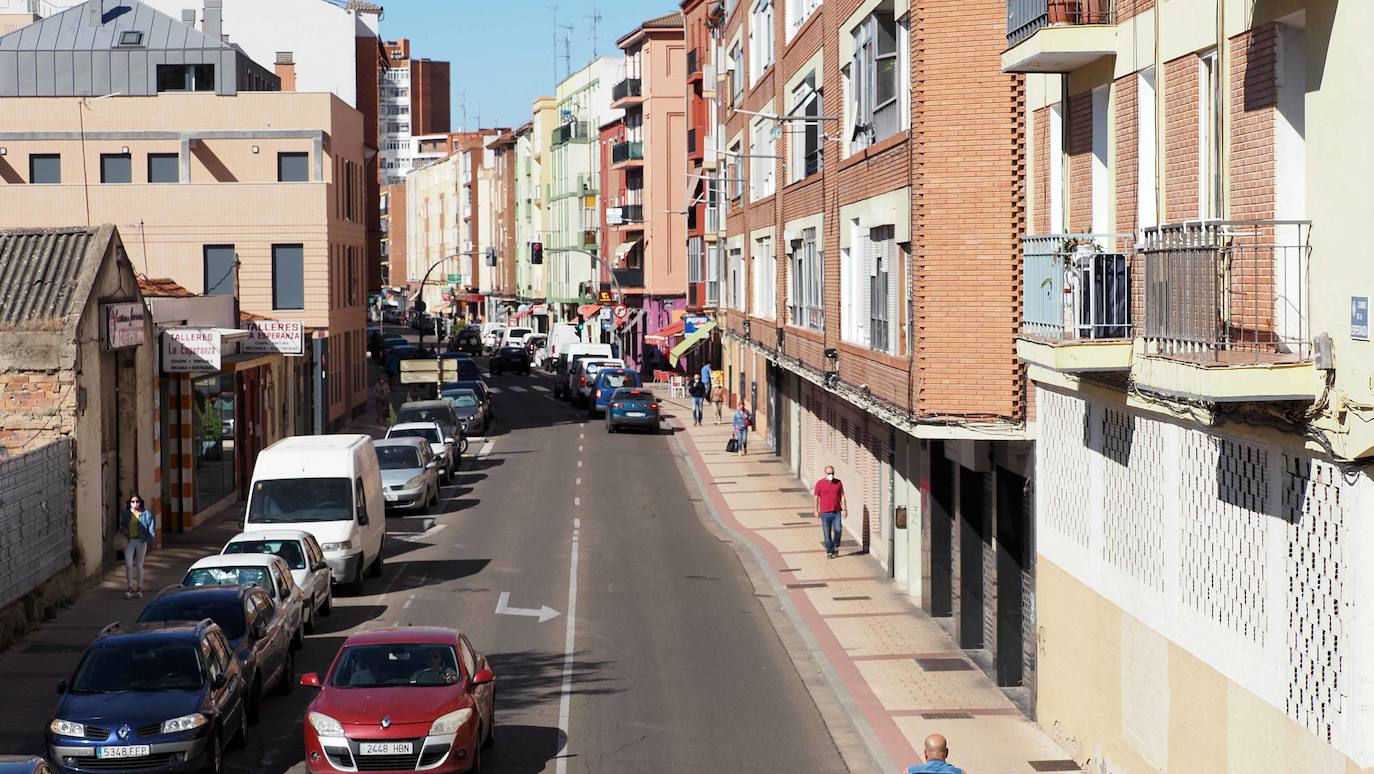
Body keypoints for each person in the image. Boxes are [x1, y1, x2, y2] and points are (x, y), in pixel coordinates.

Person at [118, 494, 157, 599]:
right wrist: (123, 529)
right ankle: (130, 587)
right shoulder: (126, 514)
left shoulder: (146, 514)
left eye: (137, 501)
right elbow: (121, 525)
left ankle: (139, 588)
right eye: (132, 502)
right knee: (129, 564)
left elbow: (151, 529)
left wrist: (152, 541)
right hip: (129, 541)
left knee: (139, 565)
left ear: (140, 502)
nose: (135, 504)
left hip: (141, 541)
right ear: (129, 503)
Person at [813, 465, 848, 559]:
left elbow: (842, 496)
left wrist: (845, 509)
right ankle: (829, 551)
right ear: (825, 473)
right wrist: (816, 510)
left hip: (836, 512)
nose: (830, 475)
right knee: (826, 533)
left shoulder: (838, 483)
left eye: (832, 473)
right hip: (825, 513)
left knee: (838, 530)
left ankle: (836, 546)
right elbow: (816, 497)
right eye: (828, 473)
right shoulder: (820, 484)